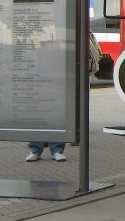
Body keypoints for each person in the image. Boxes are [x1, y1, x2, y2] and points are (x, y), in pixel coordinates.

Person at [25, 32, 102, 162]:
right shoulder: (37, 53)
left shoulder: (60, 52)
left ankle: (56, 150)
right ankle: (36, 149)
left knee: (57, 117)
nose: (48, 43)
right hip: (41, 88)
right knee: (39, 118)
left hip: (56, 88)